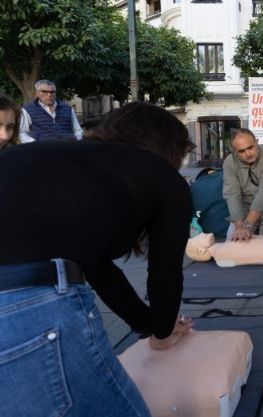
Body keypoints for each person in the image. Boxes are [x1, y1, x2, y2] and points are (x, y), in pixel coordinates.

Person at [0, 102, 195, 416]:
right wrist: (162, 332)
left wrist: (150, 325)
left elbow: (97, 268)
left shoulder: (43, 157)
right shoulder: (160, 176)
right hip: (26, 304)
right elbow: (165, 272)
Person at [222, 128, 263, 246]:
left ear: (257, 142)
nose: (247, 154)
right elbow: (232, 194)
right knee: (232, 242)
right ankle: (254, 225)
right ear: (234, 151)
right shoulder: (229, 162)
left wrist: (247, 226)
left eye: (250, 147)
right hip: (245, 207)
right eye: (241, 151)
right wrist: (239, 226)